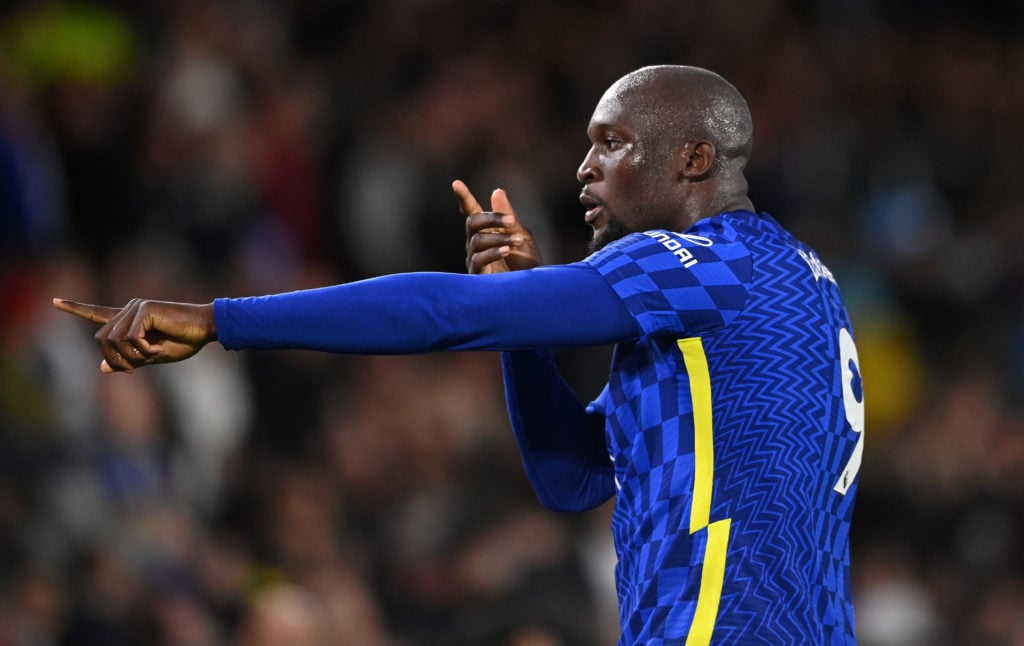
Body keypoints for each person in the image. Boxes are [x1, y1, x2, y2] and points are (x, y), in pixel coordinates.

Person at [55, 65, 863, 644]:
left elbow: (444, 312)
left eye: (612, 144)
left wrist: (221, 318)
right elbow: (572, 477)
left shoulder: (704, 265)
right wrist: (519, 317)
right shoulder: (795, 286)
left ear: (694, 159)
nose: (583, 168)